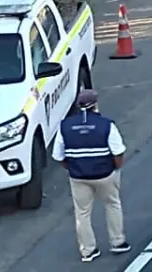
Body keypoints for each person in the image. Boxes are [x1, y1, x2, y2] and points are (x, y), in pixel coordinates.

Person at [52, 89, 130, 263]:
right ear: (95, 104)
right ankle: (117, 242)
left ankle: (88, 250)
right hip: (104, 174)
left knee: (82, 212)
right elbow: (118, 151)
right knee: (112, 204)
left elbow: (59, 156)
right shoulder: (106, 124)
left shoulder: (65, 126)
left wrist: (72, 168)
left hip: (78, 176)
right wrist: (115, 169)